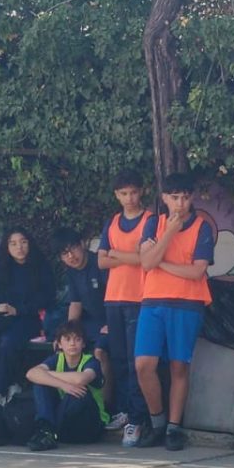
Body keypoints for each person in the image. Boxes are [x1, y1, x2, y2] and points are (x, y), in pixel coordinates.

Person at [134, 173, 215, 450]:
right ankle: (157, 422)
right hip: (152, 301)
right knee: (143, 365)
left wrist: (161, 263)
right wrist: (169, 232)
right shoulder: (153, 224)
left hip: (187, 303)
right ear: (165, 198)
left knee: (179, 366)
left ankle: (173, 427)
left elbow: (196, 271)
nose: (181, 203)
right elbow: (146, 263)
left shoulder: (202, 227)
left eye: (185, 197)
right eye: (175, 197)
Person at [96, 169, 152, 446]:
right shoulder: (113, 222)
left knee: (135, 362)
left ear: (142, 192)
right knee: (118, 360)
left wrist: (116, 253)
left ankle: (138, 418)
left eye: (133, 192)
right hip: (114, 298)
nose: (129, 198)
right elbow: (101, 261)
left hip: (139, 297)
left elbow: (145, 259)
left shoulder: (150, 220)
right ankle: (124, 411)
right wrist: (128, 256)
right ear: (116, 195)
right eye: (123, 193)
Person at [0, 229, 55, 405]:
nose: (19, 247)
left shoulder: (40, 266)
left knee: (8, 342)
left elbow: (47, 297)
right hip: (1, 319)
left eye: (23, 242)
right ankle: (10, 383)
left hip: (29, 318)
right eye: (13, 243)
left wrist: (18, 309)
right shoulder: (0, 268)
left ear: (29, 243)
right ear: (7, 247)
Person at [25, 320, 107, 452]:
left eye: (77, 339)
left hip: (89, 424)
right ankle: (46, 430)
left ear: (83, 343)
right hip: (65, 422)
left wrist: (48, 374)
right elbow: (31, 374)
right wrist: (63, 385)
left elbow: (80, 379)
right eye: (67, 339)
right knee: (41, 384)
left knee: (78, 393)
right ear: (59, 344)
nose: (72, 343)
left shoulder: (91, 361)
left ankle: (50, 431)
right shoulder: (56, 359)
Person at [51, 228, 111, 397]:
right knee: (65, 345)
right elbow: (75, 303)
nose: (71, 256)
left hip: (112, 320)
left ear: (82, 244)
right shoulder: (71, 272)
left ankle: (106, 404)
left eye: (73, 249)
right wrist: (67, 332)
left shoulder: (100, 264)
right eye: (65, 254)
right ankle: (72, 399)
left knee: (99, 352)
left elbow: (116, 297)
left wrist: (112, 323)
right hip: (91, 322)